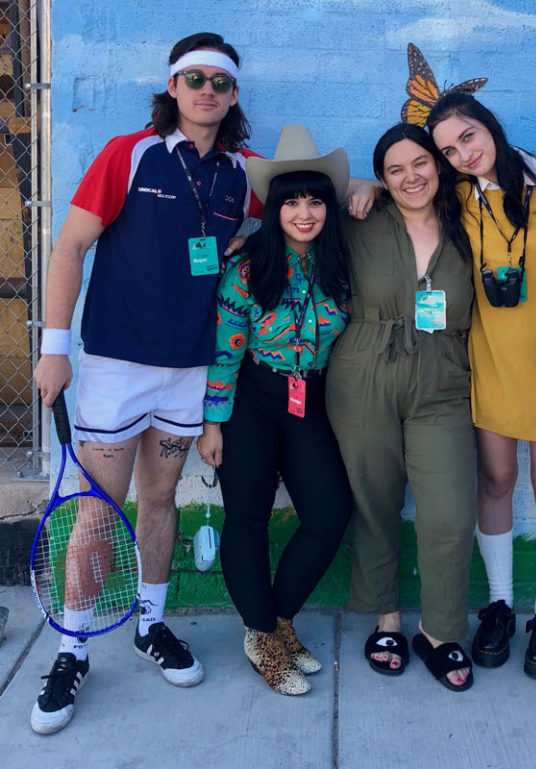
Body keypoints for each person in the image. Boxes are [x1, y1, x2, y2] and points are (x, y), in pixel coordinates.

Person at [30, 32, 262, 735]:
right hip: (116, 366)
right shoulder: (128, 154)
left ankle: (150, 626)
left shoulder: (246, 170)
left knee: (159, 499)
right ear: (171, 87)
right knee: (99, 510)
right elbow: (70, 245)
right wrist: (54, 348)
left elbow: (312, 194)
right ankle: (71, 651)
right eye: (193, 79)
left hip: (191, 370)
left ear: (233, 95)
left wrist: (362, 186)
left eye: (219, 82)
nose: (206, 92)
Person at [426, 93, 536, 679]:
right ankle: (499, 605)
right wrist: (362, 188)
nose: (462, 154)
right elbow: (398, 188)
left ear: (489, 126)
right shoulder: (456, 197)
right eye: (448, 149)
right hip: (489, 357)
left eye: (468, 137)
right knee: (495, 478)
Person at [196, 124, 352, 696]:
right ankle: (260, 633)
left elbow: (378, 191)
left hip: (309, 398)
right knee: (247, 519)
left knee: (329, 513)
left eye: (315, 200)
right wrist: (213, 422)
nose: (305, 212)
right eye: (291, 201)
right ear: (275, 207)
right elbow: (225, 352)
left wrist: (367, 189)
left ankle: (278, 620)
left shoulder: (340, 266)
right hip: (253, 399)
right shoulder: (247, 268)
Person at [327, 123, 476, 691]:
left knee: (449, 510)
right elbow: (300, 205)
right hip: (363, 369)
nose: (411, 176)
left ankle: (440, 630)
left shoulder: (471, 224)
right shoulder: (361, 217)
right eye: (395, 169)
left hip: (441, 374)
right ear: (383, 177)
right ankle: (386, 617)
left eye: (421, 163)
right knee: (375, 500)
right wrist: (356, 185)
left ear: (439, 165)